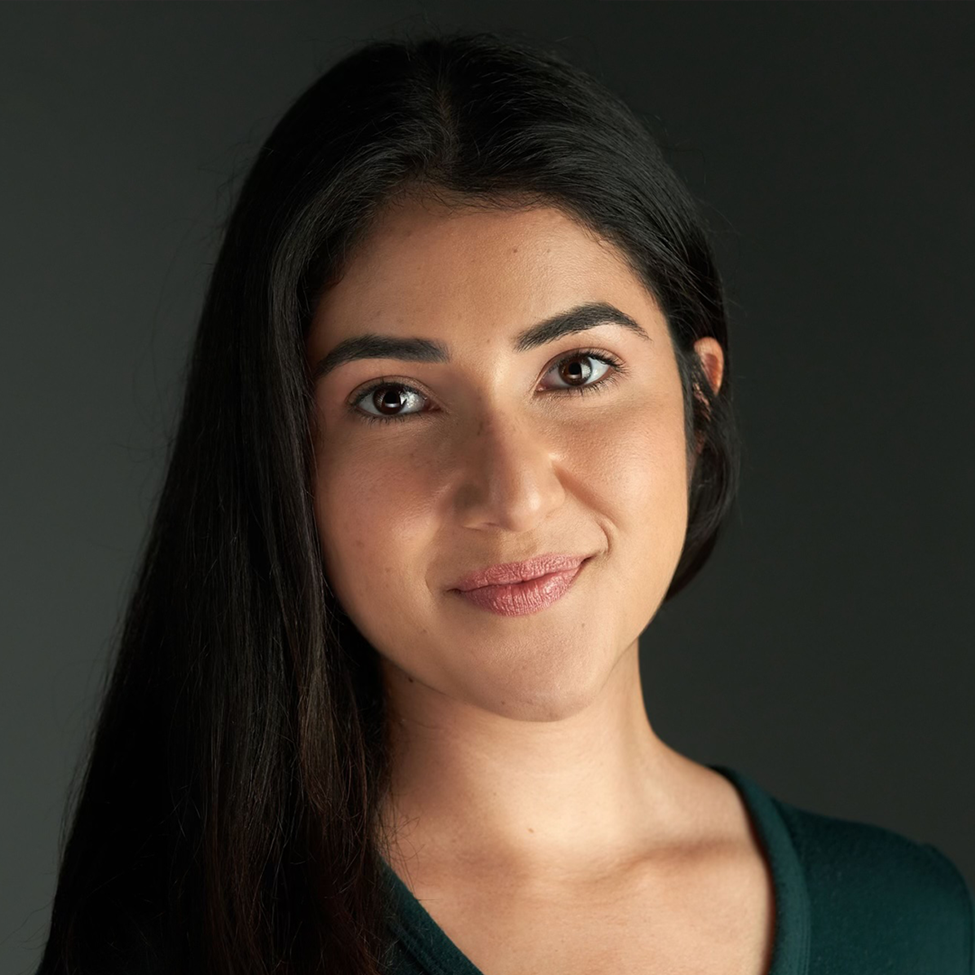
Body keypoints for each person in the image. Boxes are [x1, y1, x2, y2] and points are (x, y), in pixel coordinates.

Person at [35, 29, 973, 975]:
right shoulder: (173, 946)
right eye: (393, 398)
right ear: (286, 454)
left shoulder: (911, 927)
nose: (513, 493)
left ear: (698, 399)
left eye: (576, 369)